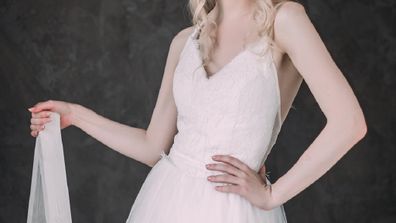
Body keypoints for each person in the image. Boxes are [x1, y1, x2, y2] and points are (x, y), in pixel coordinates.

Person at [28, 0, 367, 222]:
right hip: (165, 204)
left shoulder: (284, 21)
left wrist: (272, 195)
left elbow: (349, 123)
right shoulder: (185, 41)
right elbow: (152, 146)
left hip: (233, 211)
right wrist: (77, 114)